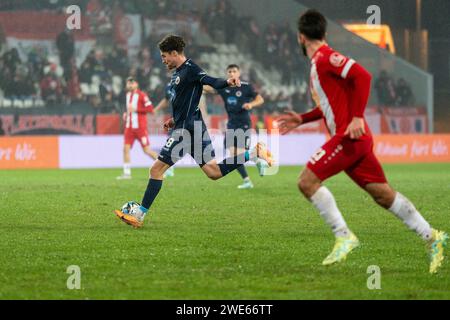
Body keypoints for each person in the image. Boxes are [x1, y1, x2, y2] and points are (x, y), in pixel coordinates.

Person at [276, 10, 447, 273]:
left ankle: (344, 236)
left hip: (349, 137)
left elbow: (363, 76)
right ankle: (432, 237)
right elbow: (331, 106)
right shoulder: (319, 63)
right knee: (383, 194)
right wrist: (303, 118)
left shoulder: (324, 58)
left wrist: (356, 117)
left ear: (301, 37)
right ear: (324, 32)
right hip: (357, 139)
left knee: (306, 182)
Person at [114, 35, 273, 228]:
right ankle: (254, 152)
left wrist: (228, 82)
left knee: (156, 169)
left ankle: (139, 216)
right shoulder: (178, 73)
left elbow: (210, 80)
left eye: (165, 56)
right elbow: (185, 101)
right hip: (192, 126)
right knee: (213, 172)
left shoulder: (191, 69)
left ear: (174, 53)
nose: (163, 60)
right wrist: (174, 119)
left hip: (186, 130)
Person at [203, 64, 265, 189]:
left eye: (234, 71)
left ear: (239, 73)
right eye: (229, 71)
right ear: (227, 73)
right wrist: (195, 83)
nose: (232, 73)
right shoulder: (224, 87)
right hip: (231, 124)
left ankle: (255, 158)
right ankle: (248, 178)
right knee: (232, 156)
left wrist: (251, 105)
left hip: (244, 123)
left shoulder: (246, 87)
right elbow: (209, 89)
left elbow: (260, 99)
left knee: (240, 154)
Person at [117, 77, 159, 180]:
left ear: (136, 84)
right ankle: (127, 173)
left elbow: (150, 109)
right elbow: (130, 110)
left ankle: (166, 166)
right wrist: (126, 114)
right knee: (125, 149)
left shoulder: (142, 95)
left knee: (147, 150)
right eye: (128, 83)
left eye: (132, 83)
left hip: (140, 127)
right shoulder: (128, 95)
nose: (130, 85)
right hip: (129, 127)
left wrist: (137, 109)